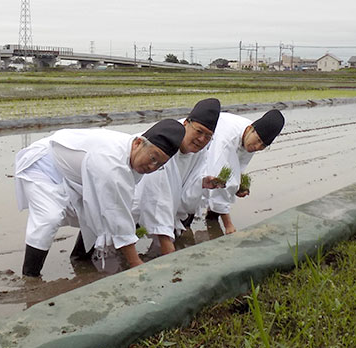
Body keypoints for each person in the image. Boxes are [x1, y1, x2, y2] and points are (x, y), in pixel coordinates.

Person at [15, 119, 186, 277]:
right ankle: (30, 276)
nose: (152, 167)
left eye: (159, 164)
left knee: (95, 212)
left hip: (76, 175)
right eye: (153, 158)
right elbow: (116, 213)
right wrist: (135, 263)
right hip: (44, 165)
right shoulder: (112, 161)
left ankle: (81, 259)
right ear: (138, 143)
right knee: (49, 217)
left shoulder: (135, 152)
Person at [133, 98, 224, 255]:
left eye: (208, 136)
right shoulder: (165, 147)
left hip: (158, 204)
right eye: (199, 131)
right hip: (131, 195)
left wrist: (202, 182)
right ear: (185, 124)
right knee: (111, 236)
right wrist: (166, 242)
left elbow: (190, 179)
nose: (202, 139)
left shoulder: (200, 150)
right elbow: (157, 195)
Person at [203, 109, 285, 234]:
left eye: (263, 146)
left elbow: (237, 166)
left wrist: (238, 186)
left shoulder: (250, 138)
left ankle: (211, 216)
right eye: (257, 141)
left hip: (209, 151)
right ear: (249, 129)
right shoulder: (227, 139)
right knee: (194, 191)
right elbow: (219, 180)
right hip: (192, 146)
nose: (257, 147)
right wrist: (228, 225)